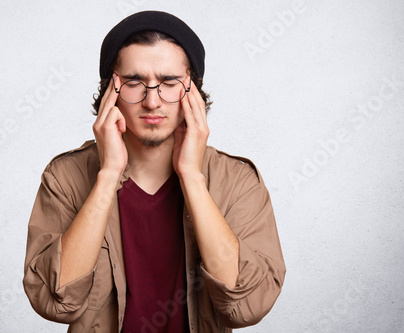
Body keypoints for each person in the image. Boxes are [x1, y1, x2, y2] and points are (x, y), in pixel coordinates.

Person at [23, 10, 286, 333]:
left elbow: (249, 304)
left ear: (193, 92)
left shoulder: (238, 181)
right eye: (134, 82)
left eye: (169, 82)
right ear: (110, 93)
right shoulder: (64, 177)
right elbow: (55, 300)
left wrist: (192, 177)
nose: (151, 101)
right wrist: (107, 176)